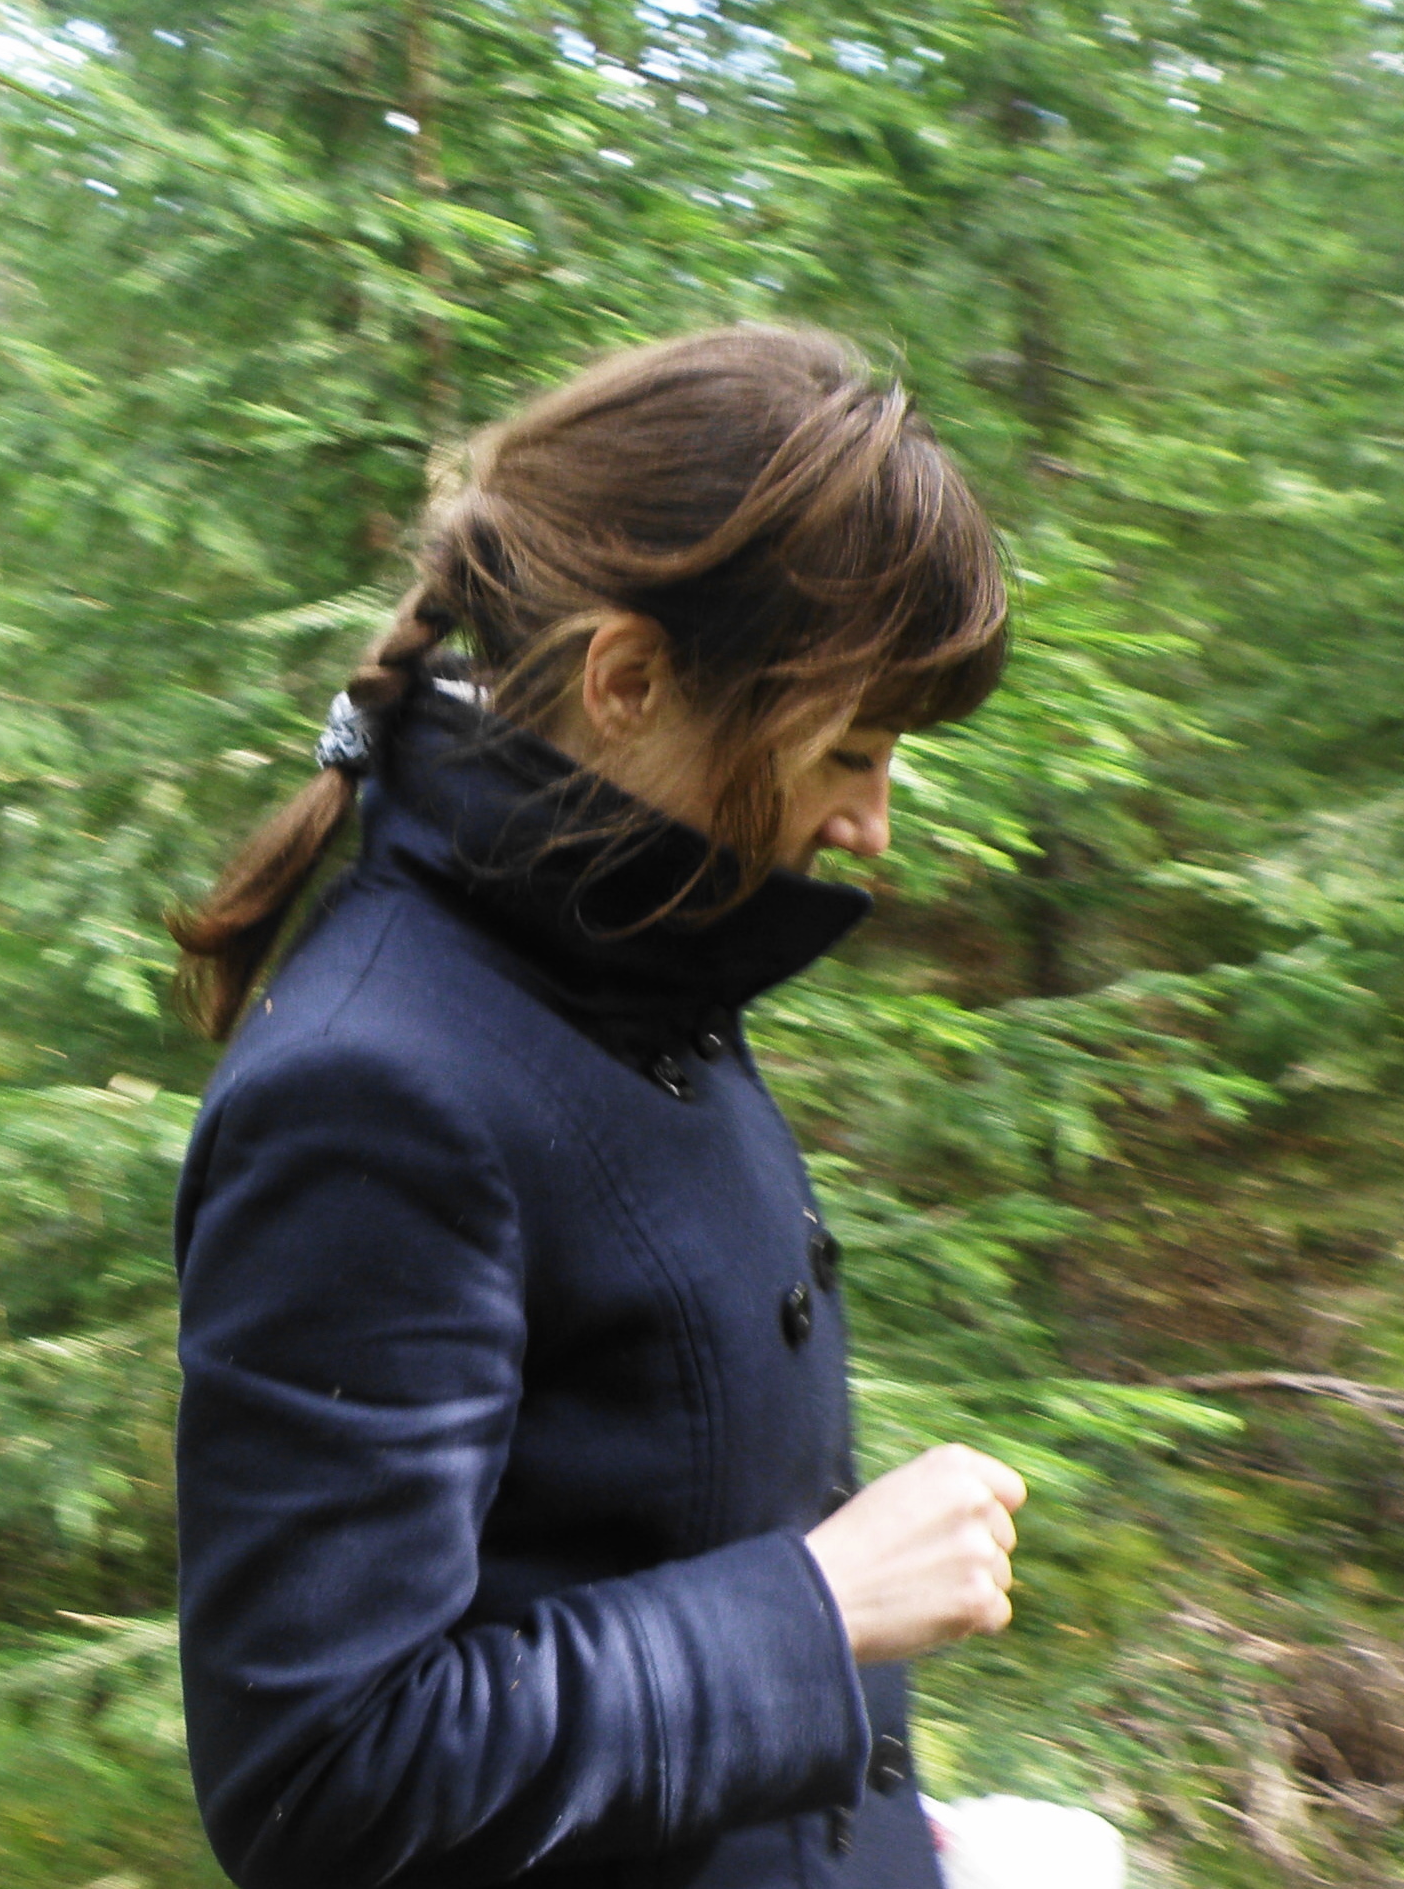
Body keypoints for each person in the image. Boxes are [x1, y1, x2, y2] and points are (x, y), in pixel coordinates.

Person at [165, 324, 1034, 1889]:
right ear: (630, 680)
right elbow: (323, 1786)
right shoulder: (374, 1093)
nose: (873, 826)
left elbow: (622, 1542)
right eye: (849, 748)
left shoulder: (636, 965)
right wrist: (824, 1611)